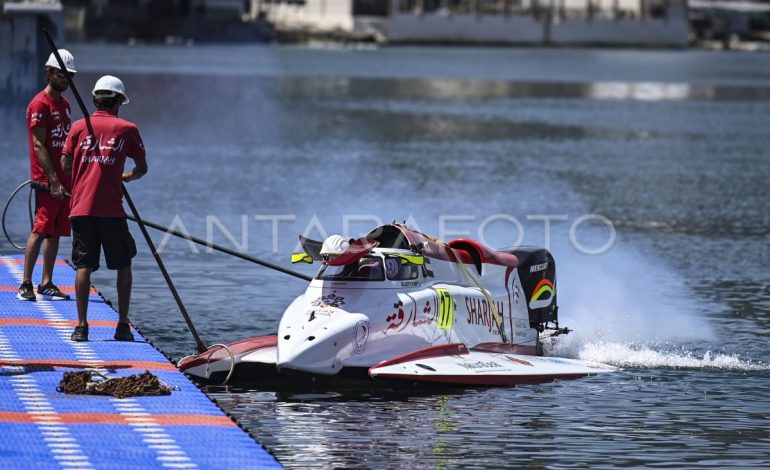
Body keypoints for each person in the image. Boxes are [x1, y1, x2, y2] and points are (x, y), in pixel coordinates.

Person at [61, 75, 148, 342]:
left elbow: (65, 164)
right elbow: (142, 168)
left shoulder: (78, 127)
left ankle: (81, 327)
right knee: (124, 264)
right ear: (119, 101)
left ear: (95, 99)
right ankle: (122, 325)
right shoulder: (127, 129)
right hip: (111, 210)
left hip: (81, 208)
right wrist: (125, 176)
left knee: (84, 266)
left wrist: (85, 166)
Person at [18, 49, 77, 302]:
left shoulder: (64, 104)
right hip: (46, 180)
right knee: (40, 229)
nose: (65, 78)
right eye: (62, 74)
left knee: (55, 232)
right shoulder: (39, 104)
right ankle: (26, 283)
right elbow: (39, 144)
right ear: (49, 73)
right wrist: (52, 179)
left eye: (69, 75)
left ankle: (47, 282)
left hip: (65, 181)